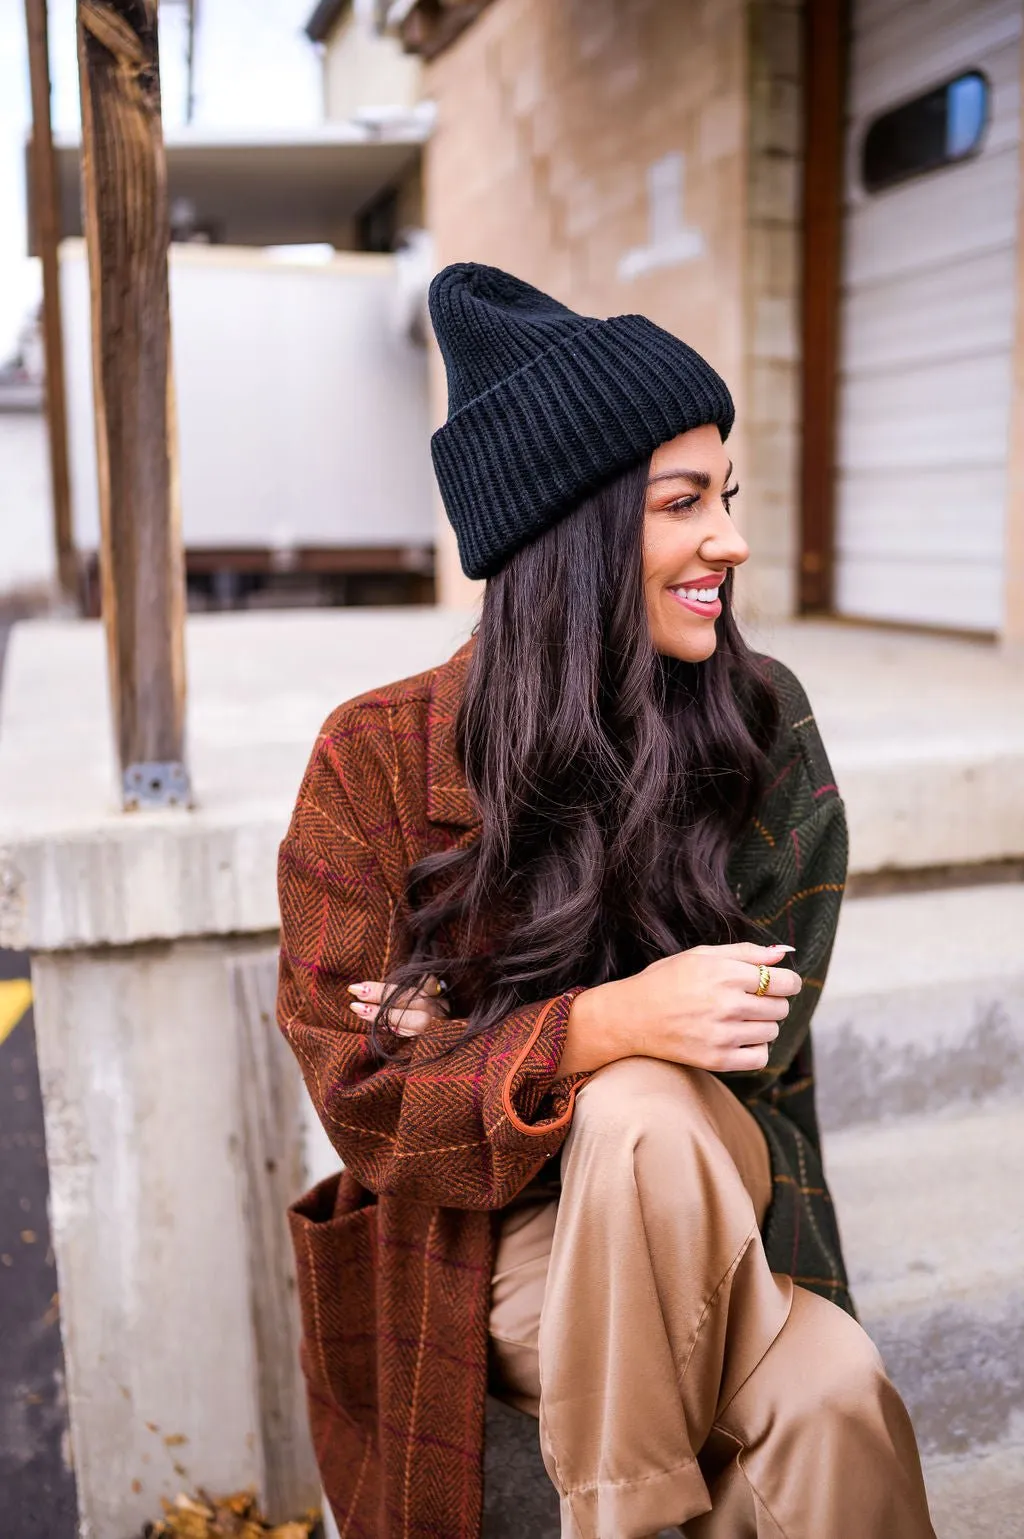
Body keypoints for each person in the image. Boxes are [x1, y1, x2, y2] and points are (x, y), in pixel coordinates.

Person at [277, 264, 936, 1539]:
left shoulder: (758, 717)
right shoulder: (373, 757)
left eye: (725, 496)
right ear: (568, 532)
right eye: (682, 503)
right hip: (493, 1241)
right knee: (834, 1393)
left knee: (645, 1113)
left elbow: (748, 1035)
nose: (729, 541)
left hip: (711, 1184)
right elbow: (365, 1100)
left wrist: (478, 1030)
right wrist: (615, 1017)